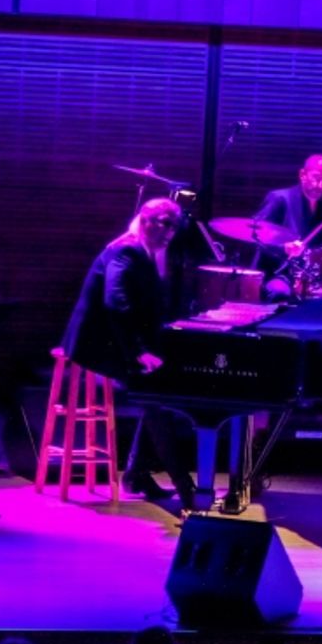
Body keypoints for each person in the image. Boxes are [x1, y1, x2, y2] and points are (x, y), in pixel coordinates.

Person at [60, 197, 196, 515]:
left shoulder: (145, 249)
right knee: (155, 398)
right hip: (98, 347)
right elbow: (116, 303)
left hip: (117, 341)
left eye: (174, 227)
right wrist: (138, 352)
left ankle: (136, 474)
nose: (170, 234)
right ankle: (187, 493)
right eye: (165, 224)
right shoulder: (126, 249)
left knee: (160, 392)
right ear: (146, 220)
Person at [251, 154, 322, 300]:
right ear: (302, 174)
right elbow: (256, 237)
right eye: (316, 178)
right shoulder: (280, 199)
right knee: (280, 292)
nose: (320, 186)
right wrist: (285, 248)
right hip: (276, 274)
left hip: (309, 279)